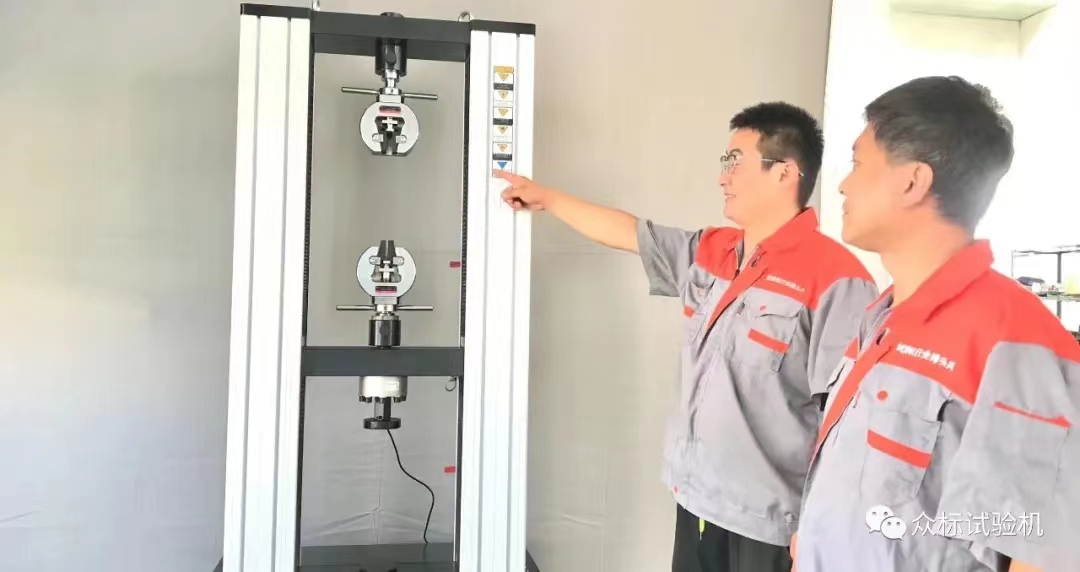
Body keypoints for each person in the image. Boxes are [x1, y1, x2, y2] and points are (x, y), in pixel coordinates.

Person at [496, 102, 878, 572]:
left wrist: (824, 526)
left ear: (784, 173)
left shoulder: (836, 279)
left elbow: (848, 420)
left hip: (771, 524)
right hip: (697, 499)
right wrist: (548, 199)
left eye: (734, 161)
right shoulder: (713, 250)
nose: (722, 177)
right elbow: (630, 233)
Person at [791, 75, 1080, 572]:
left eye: (858, 164)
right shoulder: (882, 317)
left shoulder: (1015, 342)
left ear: (912, 182)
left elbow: (1041, 556)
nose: (842, 184)